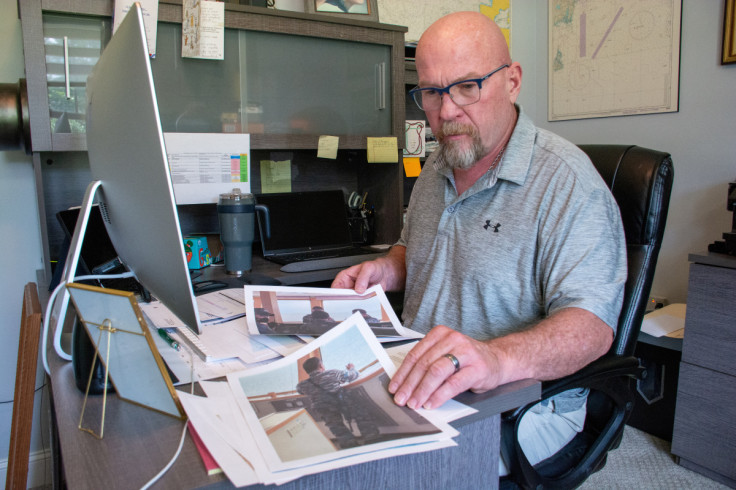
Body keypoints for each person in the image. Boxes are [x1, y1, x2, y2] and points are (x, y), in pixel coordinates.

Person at [331, 11, 626, 474]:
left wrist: (496, 357)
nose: (446, 111)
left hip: (519, 403)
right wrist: (388, 268)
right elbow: (417, 249)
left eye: (468, 85)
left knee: (361, 471)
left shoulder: (568, 184)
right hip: (419, 373)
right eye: (431, 91)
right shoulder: (437, 167)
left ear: (512, 81)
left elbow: (592, 328)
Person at [296, 357, 379, 449]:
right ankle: (371, 437)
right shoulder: (332, 373)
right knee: (360, 414)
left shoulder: (301, 385)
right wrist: (351, 368)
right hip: (339, 401)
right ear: (321, 366)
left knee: (335, 426)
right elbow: (353, 375)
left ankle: (349, 445)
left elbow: (300, 391)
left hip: (321, 407)